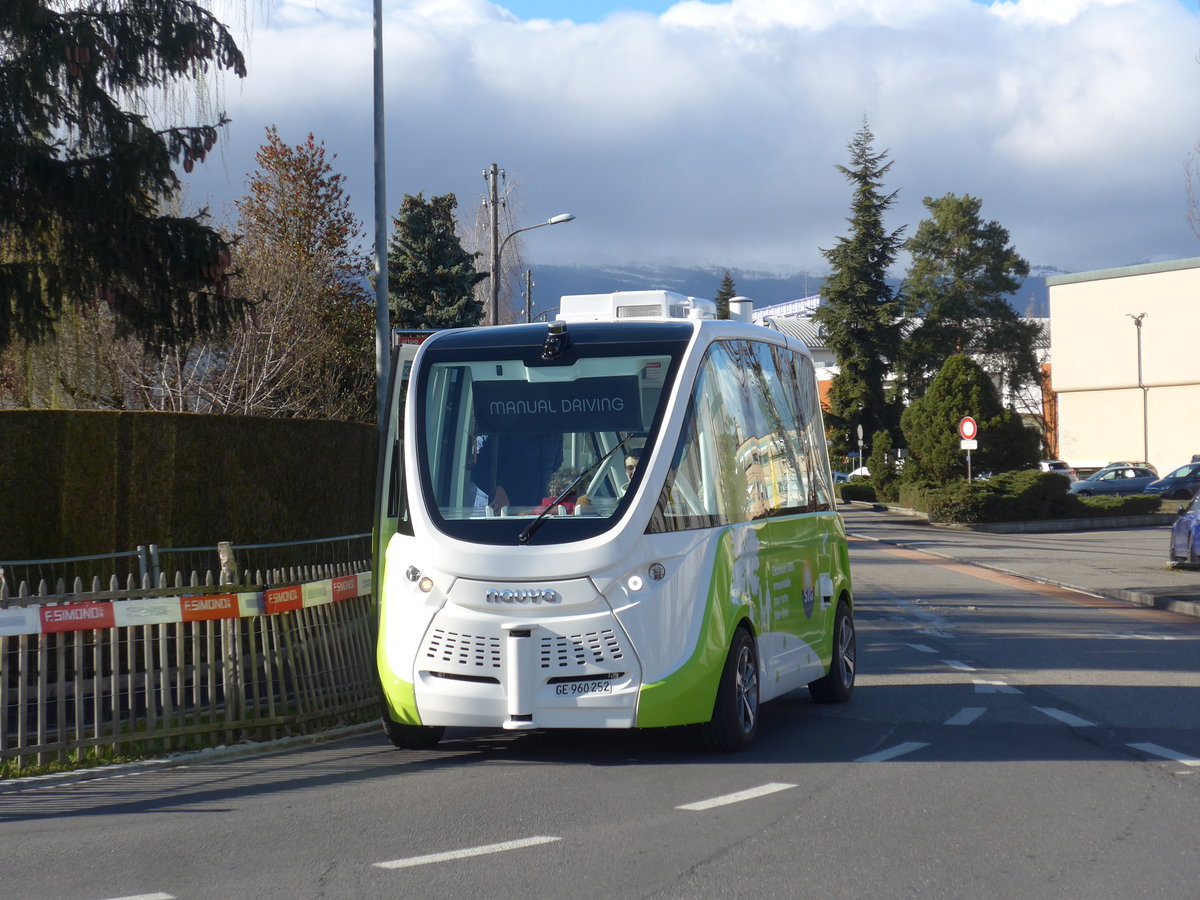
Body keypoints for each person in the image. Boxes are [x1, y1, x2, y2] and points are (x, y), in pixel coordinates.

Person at [471, 433, 563, 511]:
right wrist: (497, 489)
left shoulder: (553, 428)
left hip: (537, 514)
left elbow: (555, 467)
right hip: (497, 512)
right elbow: (478, 467)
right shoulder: (501, 420)